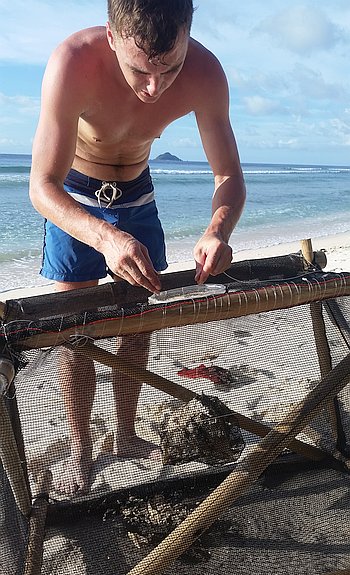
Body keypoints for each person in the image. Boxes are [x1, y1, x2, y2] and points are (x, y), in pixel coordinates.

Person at [29, 0, 246, 495]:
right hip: (76, 199)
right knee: (75, 333)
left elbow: (229, 175)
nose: (154, 88)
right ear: (111, 35)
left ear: (189, 34)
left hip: (138, 196)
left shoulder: (206, 72)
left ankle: (124, 434)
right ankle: (82, 448)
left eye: (169, 69)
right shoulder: (72, 62)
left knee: (137, 324)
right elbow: (42, 186)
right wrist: (105, 237)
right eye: (139, 69)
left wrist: (218, 231)